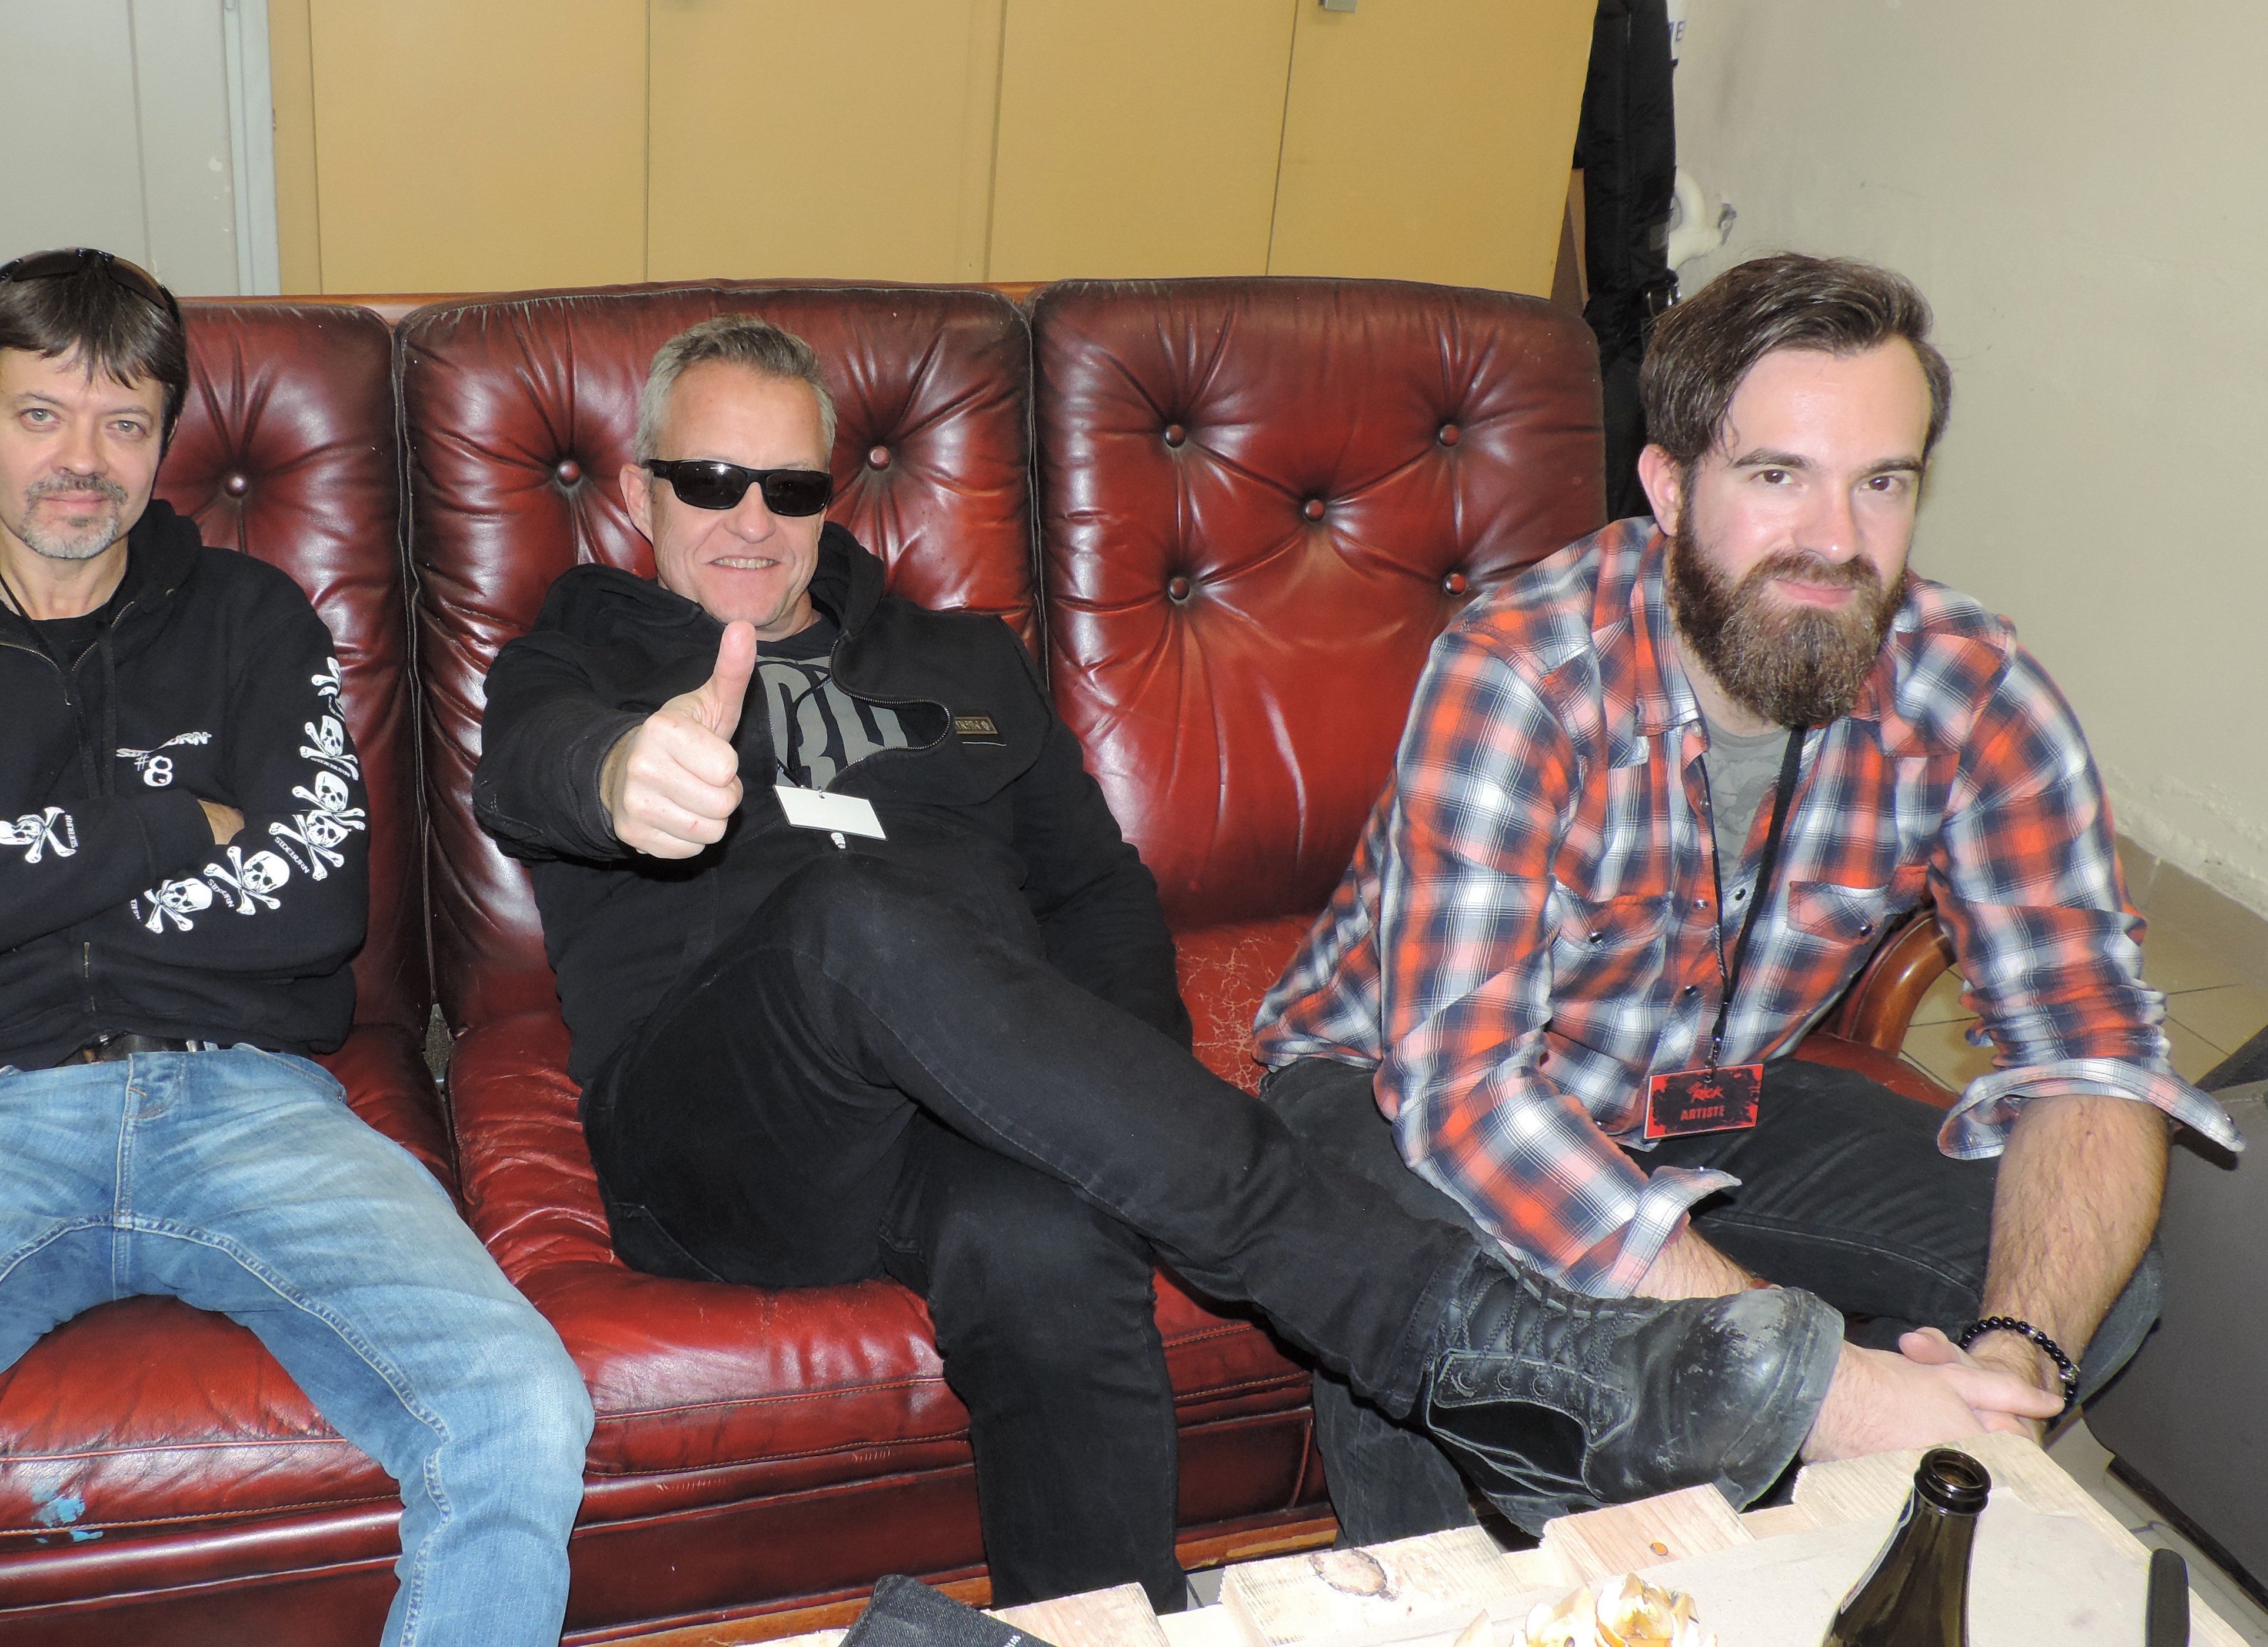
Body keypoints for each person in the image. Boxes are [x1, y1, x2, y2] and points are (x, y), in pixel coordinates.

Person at [473, 313, 2052, 1613]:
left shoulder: (957, 663)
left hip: (964, 1112)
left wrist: (1108, 1108)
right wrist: (622, 775)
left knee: (1041, 1239)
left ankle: (1110, 1616)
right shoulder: (577, 653)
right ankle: (1453, 1334)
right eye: (709, 478)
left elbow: (1096, 899)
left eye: (788, 481)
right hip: (729, 1129)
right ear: (642, 490)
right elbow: (530, 769)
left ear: (834, 492)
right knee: (850, 915)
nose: (751, 518)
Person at [0, 248, 591, 1647]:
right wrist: (179, 819)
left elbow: (316, 901)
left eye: (125, 421)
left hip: (250, 1099)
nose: (82, 461)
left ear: (166, 439)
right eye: (41, 414)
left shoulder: (255, 620)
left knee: (521, 1400)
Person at [1255, 252, 2242, 1542]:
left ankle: (1808, 1552)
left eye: (1881, 482)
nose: (1835, 540)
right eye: (1778, 476)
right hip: (1394, 1082)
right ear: (1670, 487)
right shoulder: (1522, 669)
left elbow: (2091, 1051)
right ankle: (1440, 1588)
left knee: (2095, 1283)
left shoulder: (1971, 687)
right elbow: (1469, 1096)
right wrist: (1826, 1386)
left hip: (1702, 1095)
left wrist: (2014, 1360)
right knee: (1445, 1297)